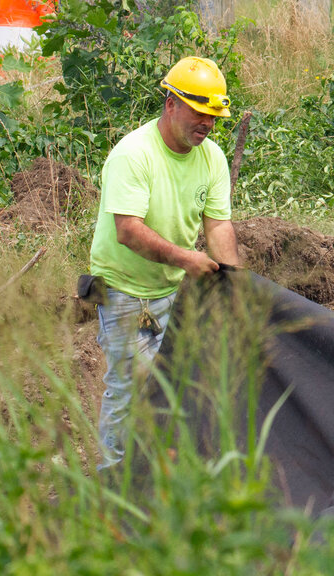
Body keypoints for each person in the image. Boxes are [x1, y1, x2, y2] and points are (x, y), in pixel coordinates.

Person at [86, 56, 241, 468]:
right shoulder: (133, 155)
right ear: (171, 103)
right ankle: (113, 478)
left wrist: (237, 284)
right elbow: (128, 230)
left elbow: (219, 229)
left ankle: (164, 472)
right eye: (200, 112)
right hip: (122, 290)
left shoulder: (213, 159)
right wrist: (185, 258)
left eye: (214, 116)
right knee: (130, 386)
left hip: (172, 291)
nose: (207, 124)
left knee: (180, 383)